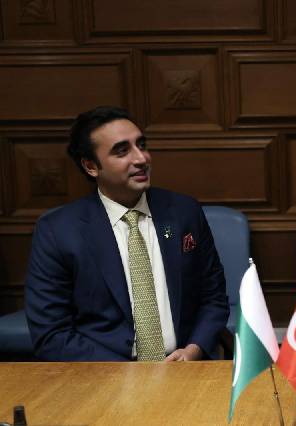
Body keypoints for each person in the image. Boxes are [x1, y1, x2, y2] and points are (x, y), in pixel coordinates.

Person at [25, 106, 229, 362]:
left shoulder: (184, 211)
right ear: (91, 166)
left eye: (141, 145)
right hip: (103, 379)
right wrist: (128, 377)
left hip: (185, 371)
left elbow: (213, 297)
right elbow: (51, 334)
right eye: (122, 151)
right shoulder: (58, 231)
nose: (141, 158)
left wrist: (194, 349)